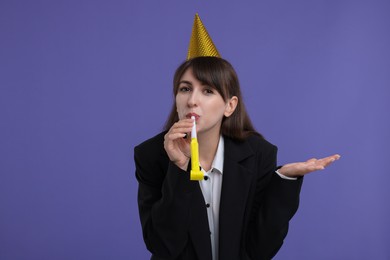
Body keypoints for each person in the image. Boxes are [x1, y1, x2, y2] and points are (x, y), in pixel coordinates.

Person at [134, 15, 340, 260]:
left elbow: (259, 249)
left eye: (208, 91)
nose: (192, 100)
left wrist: (285, 179)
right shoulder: (151, 155)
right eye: (185, 88)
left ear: (229, 106)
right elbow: (163, 246)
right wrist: (179, 169)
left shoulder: (258, 154)